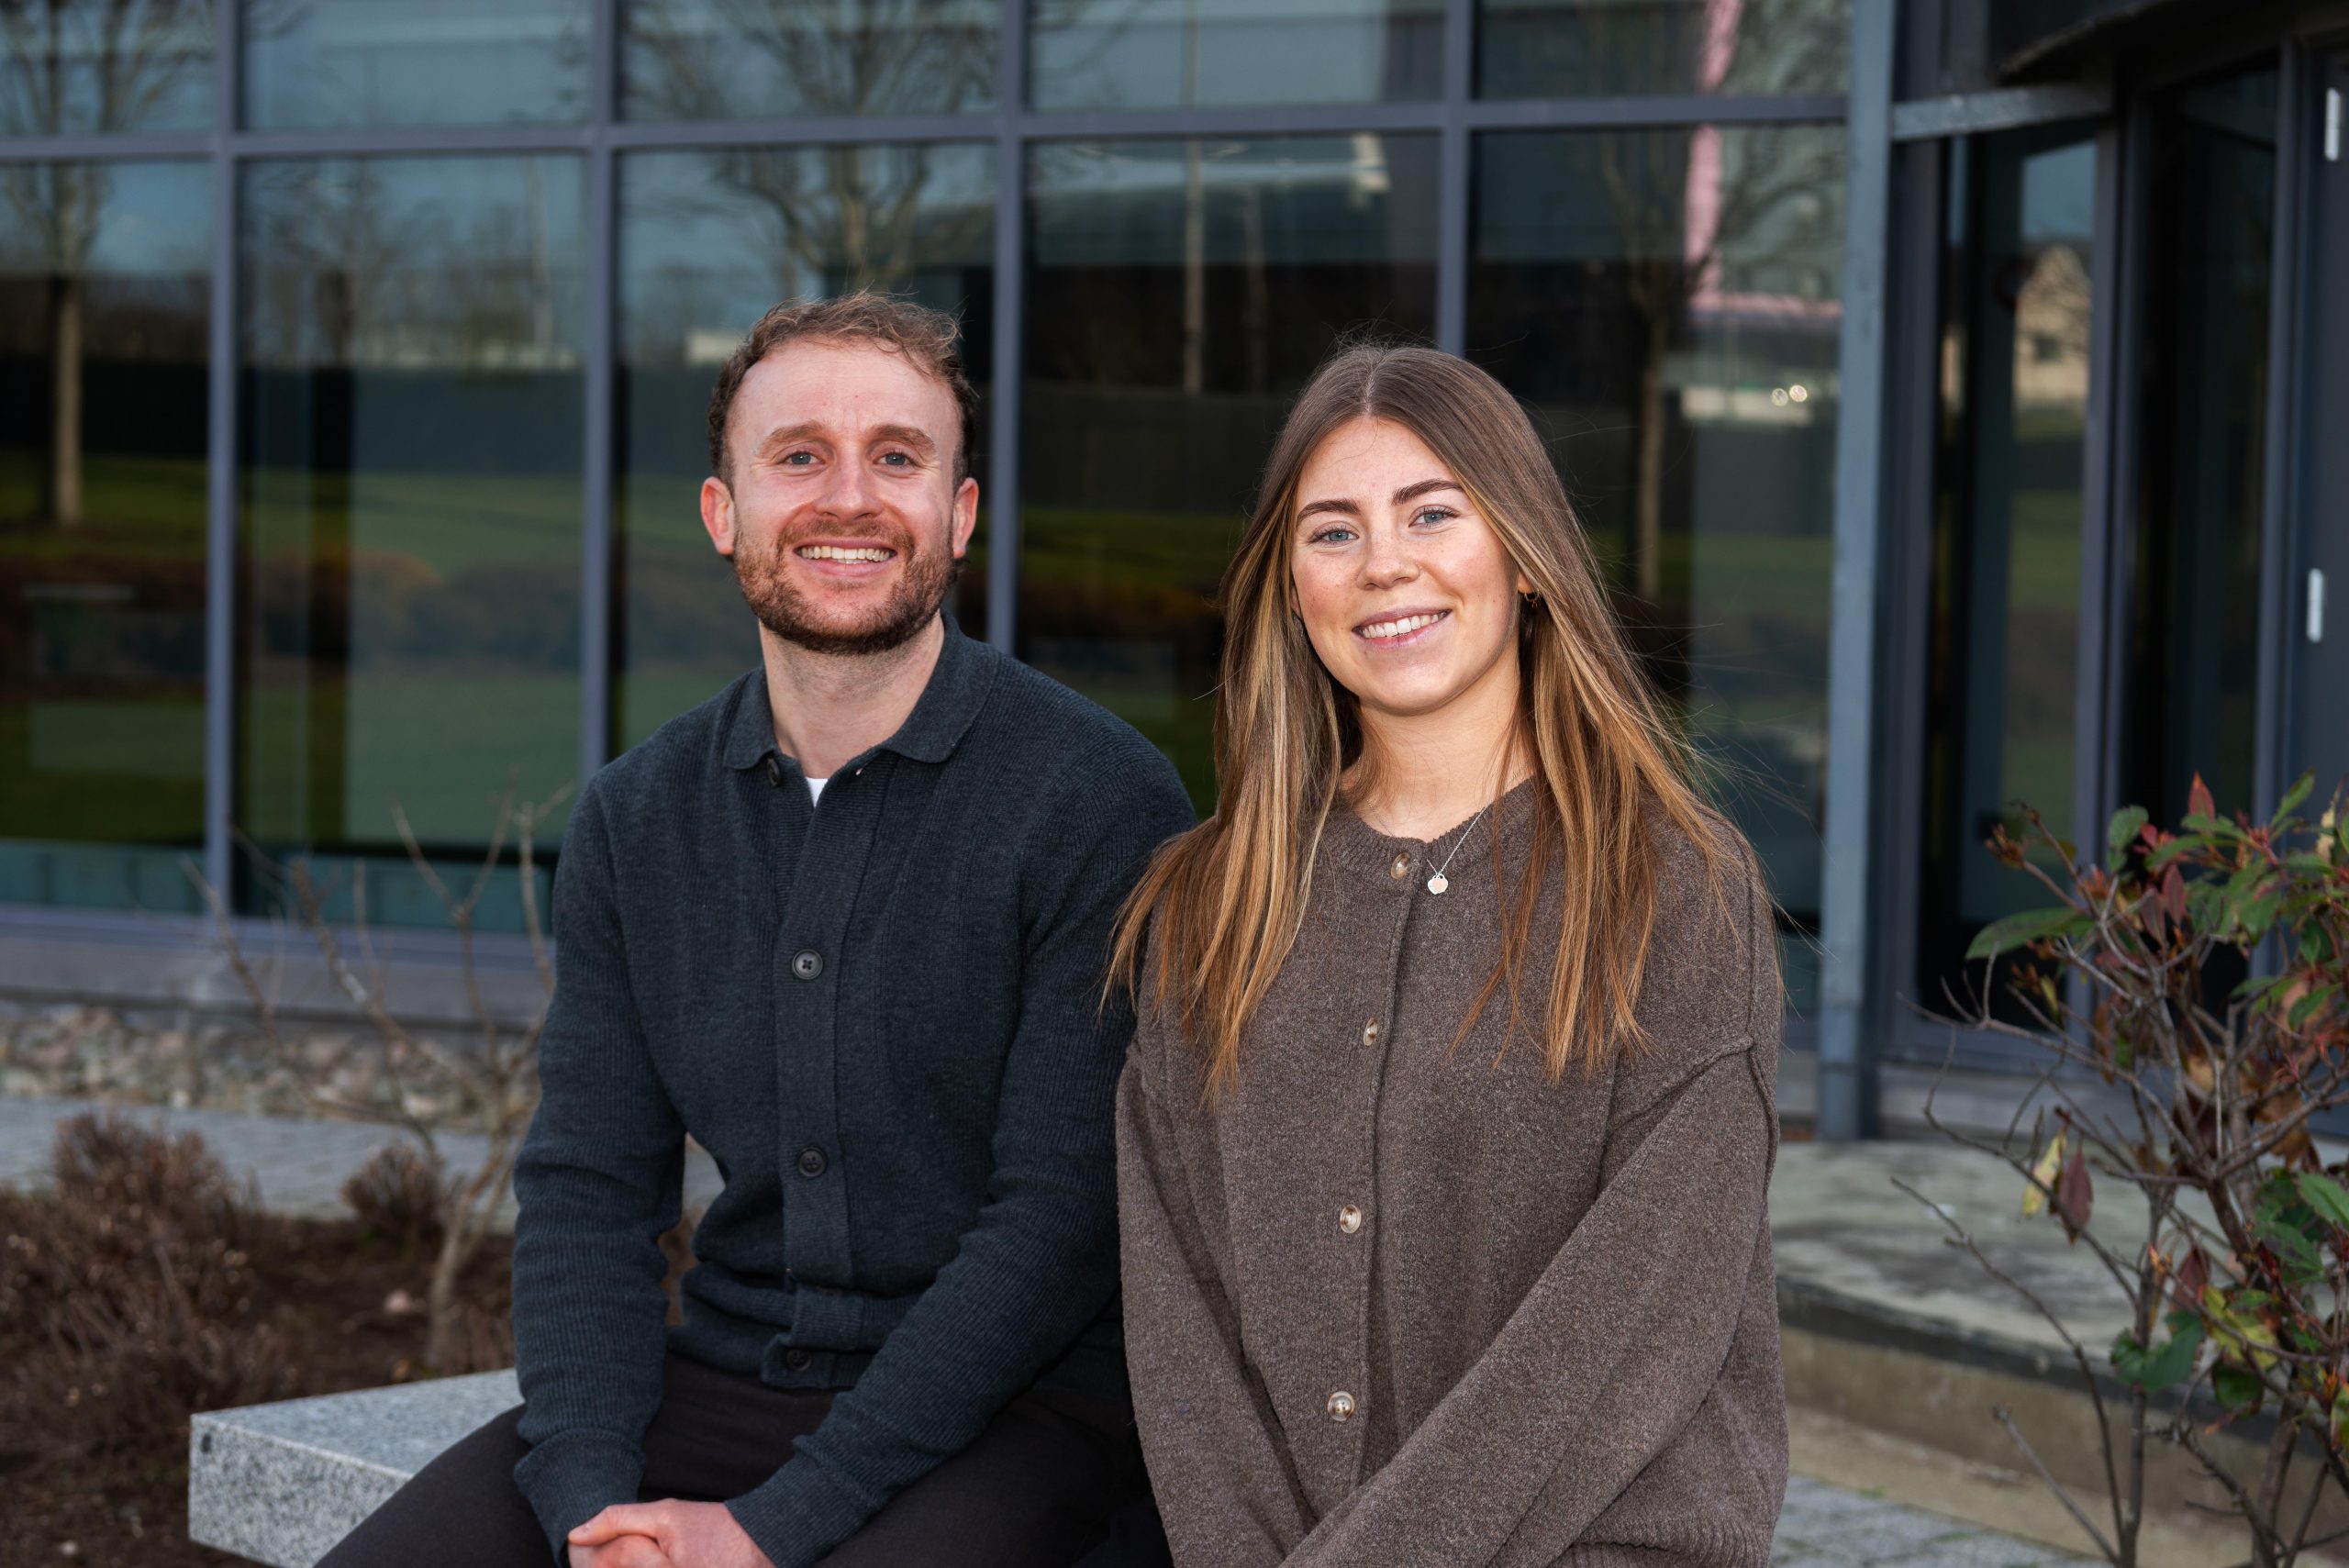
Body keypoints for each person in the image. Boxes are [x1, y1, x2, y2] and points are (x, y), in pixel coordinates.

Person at [317, 292, 1194, 1568]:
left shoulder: (1098, 799)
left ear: (958, 514)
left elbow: (1055, 1228)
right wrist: (585, 1504)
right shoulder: (637, 816)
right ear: (725, 514)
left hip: (1019, 1415)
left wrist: (773, 1529)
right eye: (799, 457)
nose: (850, 498)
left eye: (897, 456)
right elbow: (588, 1192)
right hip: (724, 1380)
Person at [1108, 342, 1787, 1566]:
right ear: (1289, 588)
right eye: (1333, 531)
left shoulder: (1679, 891)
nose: (1385, 564)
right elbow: (1180, 1326)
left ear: (1522, 554)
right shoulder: (1206, 907)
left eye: (1432, 512)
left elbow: (1625, 1329)